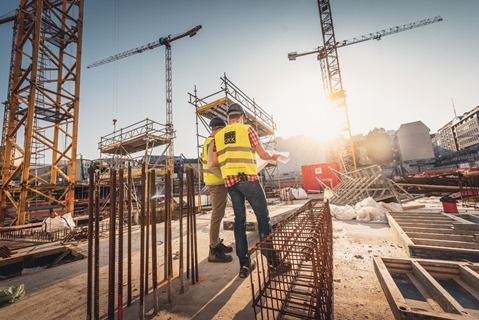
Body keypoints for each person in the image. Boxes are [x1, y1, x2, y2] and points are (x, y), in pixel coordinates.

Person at [213, 103, 290, 278]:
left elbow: (213, 162)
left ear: (228, 118)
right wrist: (273, 156)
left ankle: (244, 265)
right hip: (248, 179)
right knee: (263, 218)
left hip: (231, 183)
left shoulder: (218, 137)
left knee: (239, 223)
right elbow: (263, 155)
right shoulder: (247, 129)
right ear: (241, 117)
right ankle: (273, 262)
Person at [202, 116, 233, 263]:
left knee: (218, 215)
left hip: (214, 182)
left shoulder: (209, 141)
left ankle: (216, 244)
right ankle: (213, 250)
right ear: (219, 129)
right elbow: (212, 165)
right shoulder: (213, 142)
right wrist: (225, 177)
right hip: (216, 183)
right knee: (217, 216)